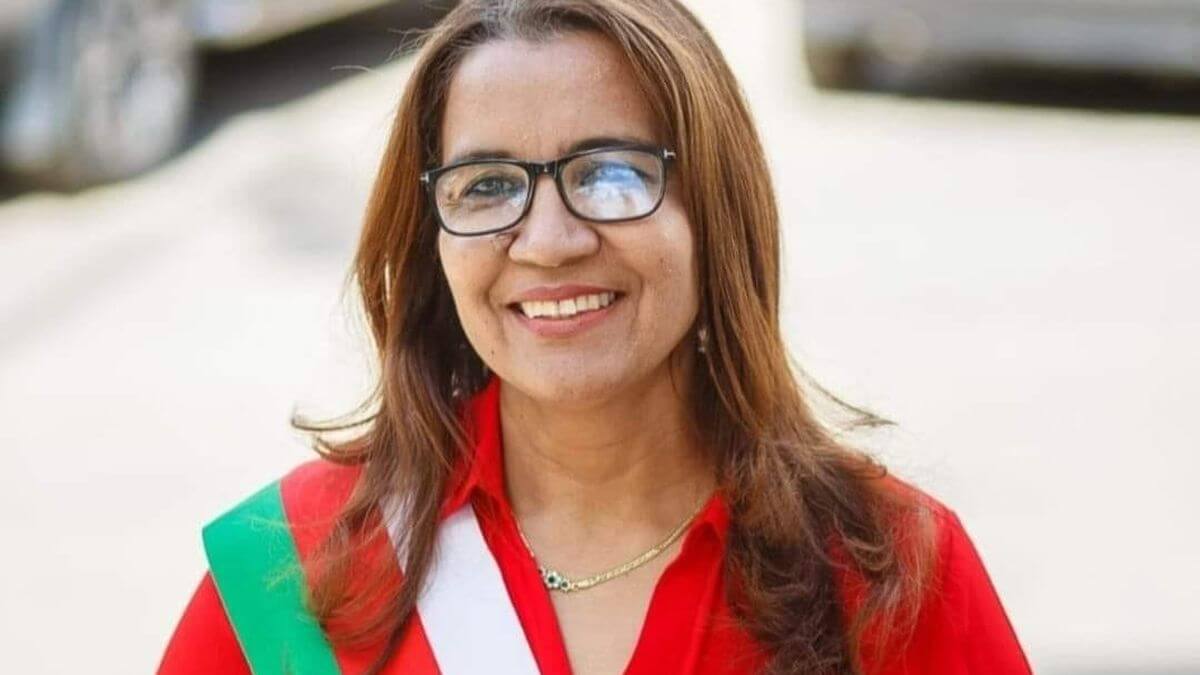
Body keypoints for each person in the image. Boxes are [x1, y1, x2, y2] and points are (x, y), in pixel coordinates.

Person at [159, 1, 1032, 673]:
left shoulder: (886, 570)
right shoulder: (290, 570)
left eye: (611, 173)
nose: (547, 242)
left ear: (714, 213)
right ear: (433, 239)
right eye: (486, 184)